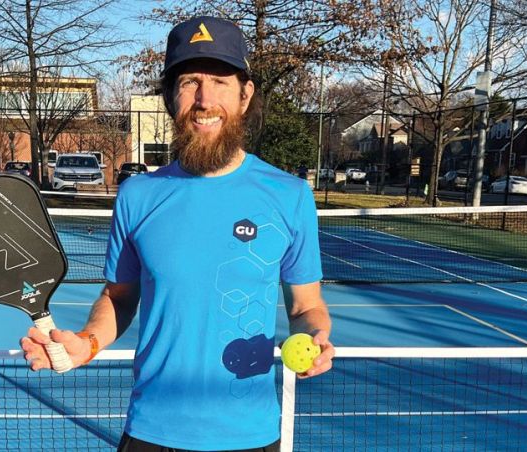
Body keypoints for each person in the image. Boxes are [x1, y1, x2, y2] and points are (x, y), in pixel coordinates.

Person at [21, 16, 333, 452]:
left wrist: (317, 337)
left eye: (220, 81)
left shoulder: (290, 195)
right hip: (153, 431)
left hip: (251, 434)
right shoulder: (137, 195)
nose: (205, 100)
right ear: (171, 97)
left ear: (245, 95)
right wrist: (86, 344)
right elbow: (118, 297)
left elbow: (307, 307)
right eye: (189, 82)